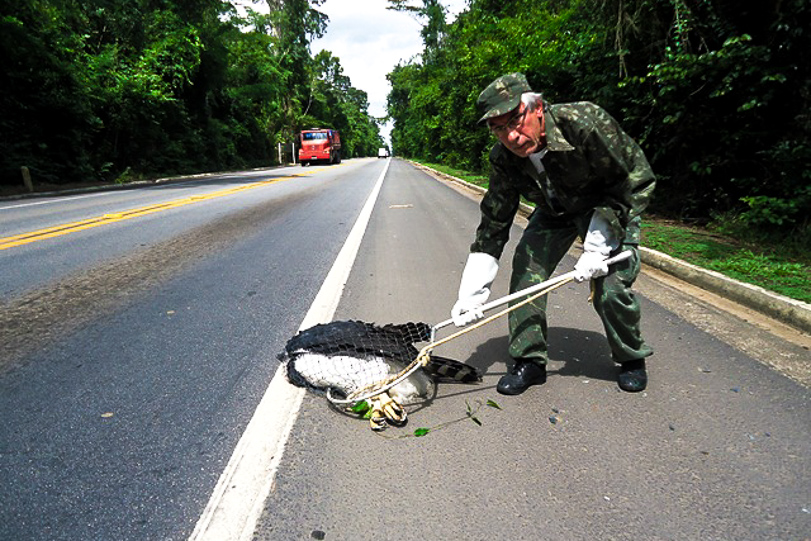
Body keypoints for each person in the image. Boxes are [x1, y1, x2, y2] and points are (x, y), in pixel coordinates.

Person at [451, 73, 656, 395]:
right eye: (498, 128)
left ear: (537, 107)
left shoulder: (583, 123)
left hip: (607, 207)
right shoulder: (503, 158)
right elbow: (495, 221)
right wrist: (472, 292)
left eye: (515, 120)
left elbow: (633, 179)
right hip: (553, 212)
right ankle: (529, 361)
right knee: (526, 276)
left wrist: (597, 245)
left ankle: (631, 357)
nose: (512, 136)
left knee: (611, 288)